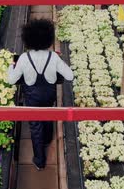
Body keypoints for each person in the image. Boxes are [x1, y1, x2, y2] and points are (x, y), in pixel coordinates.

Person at [7, 19, 74, 170]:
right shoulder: (54, 57)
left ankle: (39, 160)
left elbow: (11, 80)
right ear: (49, 39)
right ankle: (48, 139)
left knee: (35, 127)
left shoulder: (24, 58)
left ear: (28, 39)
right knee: (49, 115)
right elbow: (69, 76)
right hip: (49, 96)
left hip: (32, 99)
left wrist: (11, 67)